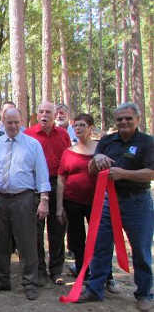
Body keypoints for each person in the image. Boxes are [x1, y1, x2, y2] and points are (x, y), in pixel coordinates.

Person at [77, 103, 153, 312]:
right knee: (100, 245)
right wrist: (97, 158)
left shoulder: (147, 142)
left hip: (137, 201)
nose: (123, 122)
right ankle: (95, 288)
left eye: (128, 118)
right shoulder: (108, 141)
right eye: (120, 119)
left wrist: (123, 174)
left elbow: (151, 172)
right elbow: (93, 169)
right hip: (109, 200)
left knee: (141, 248)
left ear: (137, 119)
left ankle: (144, 293)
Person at [0, 108, 50, 300]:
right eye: (9, 122)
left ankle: (30, 282)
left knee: (27, 242)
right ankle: (1, 280)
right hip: (0, 198)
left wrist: (44, 201)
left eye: (16, 122)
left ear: (20, 121)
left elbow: (42, 174)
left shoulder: (33, 145)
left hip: (25, 198)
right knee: (0, 242)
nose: (13, 126)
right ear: (3, 122)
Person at [56, 113, 118, 293]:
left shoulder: (100, 148)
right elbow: (61, 179)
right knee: (77, 240)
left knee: (101, 239)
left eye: (83, 125)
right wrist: (60, 207)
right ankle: (83, 272)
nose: (78, 128)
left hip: (97, 202)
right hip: (72, 201)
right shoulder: (68, 152)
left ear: (90, 127)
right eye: (76, 125)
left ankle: (107, 276)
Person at [25, 101, 71, 286]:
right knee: (35, 230)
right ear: (37, 114)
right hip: (35, 186)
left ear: (55, 115)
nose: (44, 115)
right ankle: (39, 270)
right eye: (41, 111)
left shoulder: (63, 135)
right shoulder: (28, 134)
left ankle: (56, 269)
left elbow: (68, 160)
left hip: (57, 184)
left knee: (57, 229)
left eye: (48, 112)